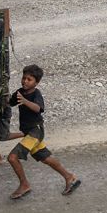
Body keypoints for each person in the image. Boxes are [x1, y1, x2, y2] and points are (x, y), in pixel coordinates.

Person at [7, 64, 80, 200]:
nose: (25, 81)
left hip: (36, 131)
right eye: (24, 78)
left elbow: (38, 108)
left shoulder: (36, 94)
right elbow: (9, 103)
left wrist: (24, 101)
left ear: (36, 82)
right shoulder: (20, 92)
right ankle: (69, 177)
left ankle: (24, 185)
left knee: (12, 157)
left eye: (29, 79)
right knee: (46, 159)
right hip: (30, 133)